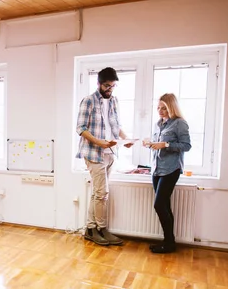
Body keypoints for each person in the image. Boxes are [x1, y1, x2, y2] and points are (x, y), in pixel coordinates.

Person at [76, 67, 133, 246]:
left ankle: (91, 229)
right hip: (94, 153)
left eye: (113, 86)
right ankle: (101, 228)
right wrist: (98, 142)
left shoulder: (114, 101)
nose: (110, 89)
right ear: (99, 84)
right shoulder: (89, 101)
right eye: (107, 86)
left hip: (111, 153)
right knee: (103, 193)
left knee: (97, 193)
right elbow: (81, 128)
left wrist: (126, 139)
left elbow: (116, 126)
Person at [143, 93, 191, 253]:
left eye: (164, 108)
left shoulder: (180, 123)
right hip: (157, 169)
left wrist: (166, 144)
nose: (160, 111)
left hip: (171, 169)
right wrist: (150, 144)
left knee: (159, 205)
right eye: (158, 108)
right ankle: (169, 243)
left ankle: (169, 243)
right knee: (165, 205)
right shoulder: (158, 124)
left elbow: (186, 146)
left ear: (171, 107)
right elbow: (158, 145)